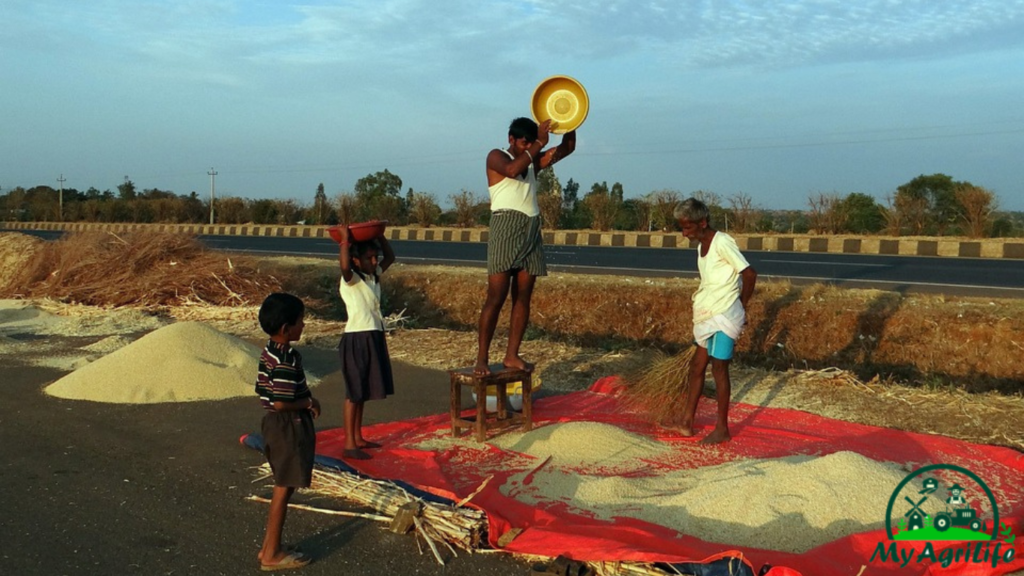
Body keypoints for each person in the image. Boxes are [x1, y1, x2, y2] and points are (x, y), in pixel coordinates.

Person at [474, 117, 577, 376]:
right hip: (505, 226)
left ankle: (512, 354)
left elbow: (567, 149)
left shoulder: (531, 161)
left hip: (530, 228)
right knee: (496, 297)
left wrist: (571, 122)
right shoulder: (497, 156)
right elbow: (511, 170)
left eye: (530, 143)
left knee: (523, 296)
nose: (527, 147)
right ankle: (482, 358)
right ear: (511, 139)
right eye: (523, 143)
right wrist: (540, 143)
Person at [674, 198, 757, 444]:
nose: (684, 233)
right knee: (697, 367)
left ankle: (722, 428)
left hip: (724, 315)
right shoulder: (702, 246)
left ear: (703, 222)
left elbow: (749, 274)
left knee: (719, 369)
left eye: (688, 227)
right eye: (682, 227)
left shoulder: (722, 242)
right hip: (708, 314)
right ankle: (687, 421)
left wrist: (742, 306)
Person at [255, 292, 319, 571]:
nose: (303, 325)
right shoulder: (286, 361)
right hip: (288, 426)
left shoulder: (270, 350)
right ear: (286, 329)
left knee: (284, 484)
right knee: (284, 488)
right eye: (300, 321)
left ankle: (269, 546)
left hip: (274, 424)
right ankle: (272, 554)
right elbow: (282, 402)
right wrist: (307, 402)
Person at [337, 225, 396, 460]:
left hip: (373, 334)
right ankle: (349, 443)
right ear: (356, 261)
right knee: (354, 391)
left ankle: (358, 436)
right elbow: (343, 266)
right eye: (368, 258)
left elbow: (390, 256)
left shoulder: (374, 276)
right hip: (356, 337)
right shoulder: (351, 280)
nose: (374, 260)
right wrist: (344, 241)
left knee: (363, 390)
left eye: (374, 257)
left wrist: (379, 235)